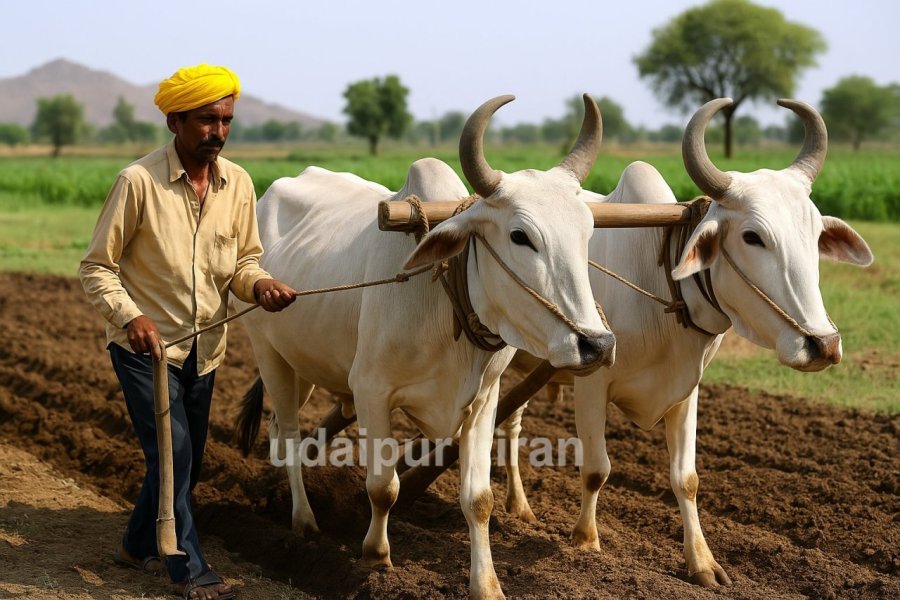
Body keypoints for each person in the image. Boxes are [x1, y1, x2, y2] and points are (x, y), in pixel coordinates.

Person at [80, 63, 296, 600]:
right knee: (172, 454)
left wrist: (261, 285)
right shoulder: (138, 182)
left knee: (186, 460)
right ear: (175, 122)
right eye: (205, 121)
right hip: (145, 349)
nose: (217, 133)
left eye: (225, 121)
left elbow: (243, 262)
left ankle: (134, 546)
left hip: (206, 348)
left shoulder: (239, 184)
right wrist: (131, 316)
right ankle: (187, 568)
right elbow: (96, 267)